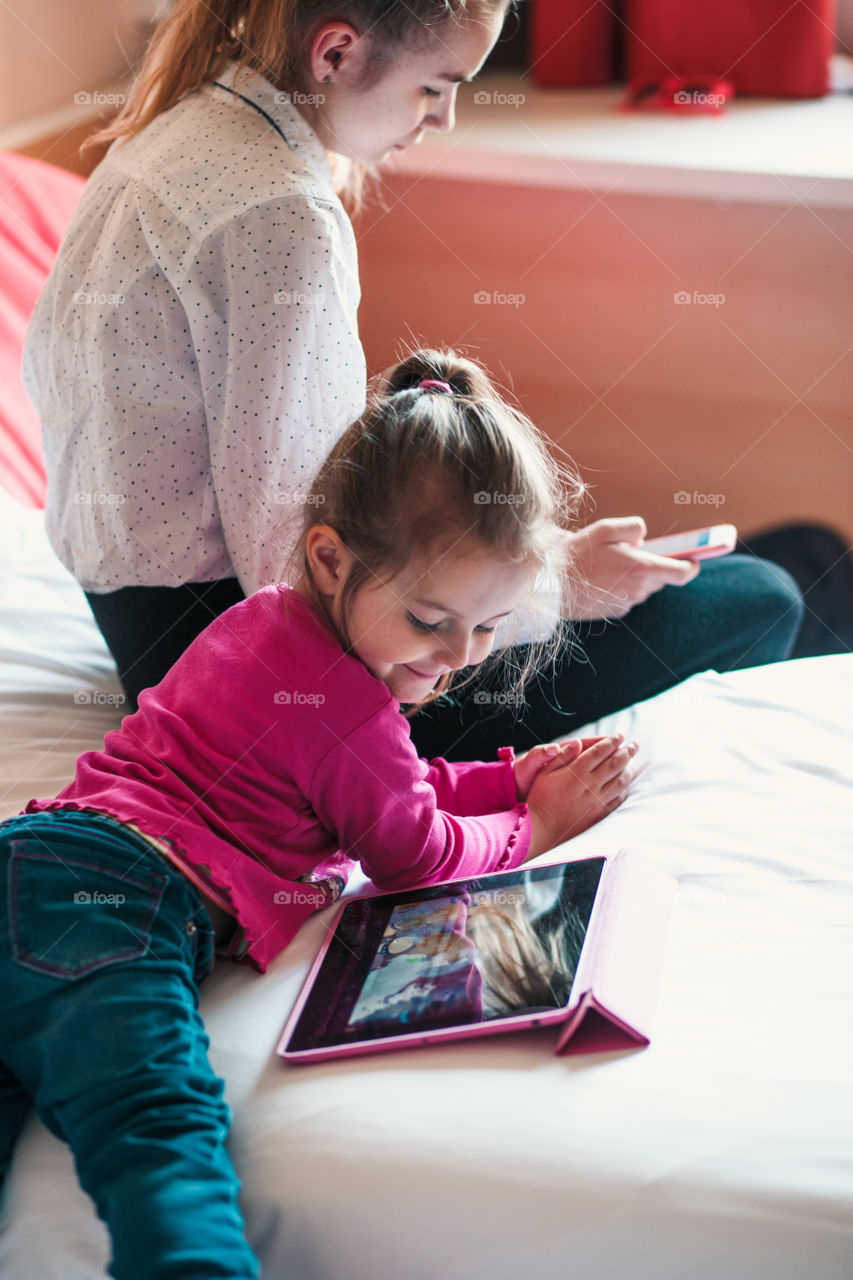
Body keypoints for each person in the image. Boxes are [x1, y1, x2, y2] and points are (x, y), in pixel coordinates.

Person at [0, 350, 637, 1279]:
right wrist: (536, 827)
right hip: (110, 900)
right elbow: (414, 854)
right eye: (431, 621)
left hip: (40, 864)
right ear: (330, 555)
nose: (459, 656)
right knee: (157, 1133)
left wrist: (506, 780)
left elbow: (387, 781)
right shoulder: (337, 702)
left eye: (489, 627)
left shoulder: (271, 626)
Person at [22, 0, 803, 746]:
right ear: (333, 53)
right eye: (435, 86)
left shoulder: (177, 128)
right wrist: (552, 587)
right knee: (763, 595)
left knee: (775, 556)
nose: (441, 119)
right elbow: (299, 566)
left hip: (152, 631)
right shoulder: (278, 213)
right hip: (258, 681)